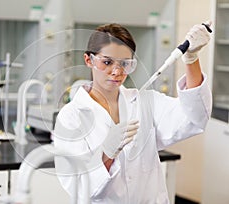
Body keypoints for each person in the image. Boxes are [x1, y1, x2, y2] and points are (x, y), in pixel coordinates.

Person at [53, 22, 212, 203]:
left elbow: (195, 116)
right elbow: (79, 187)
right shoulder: (71, 117)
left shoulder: (145, 102)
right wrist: (106, 153)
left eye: (125, 64)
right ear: (89, 60)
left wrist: (191, 59)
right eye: (107, 62)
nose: (117, 71)